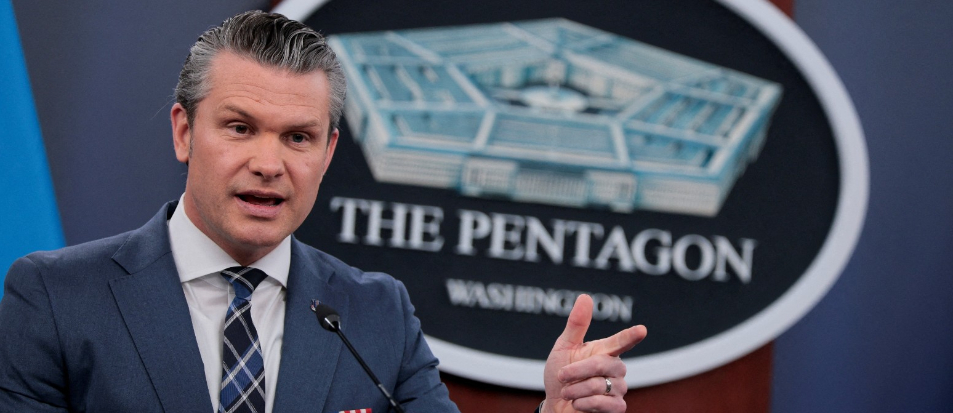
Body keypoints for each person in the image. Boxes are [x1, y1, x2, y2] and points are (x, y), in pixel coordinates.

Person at [0, 10, 646, 413]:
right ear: (184, 131)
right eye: (240, 128)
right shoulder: (56, 296)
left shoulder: (375, 311)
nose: (269, 163)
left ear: (328, 152)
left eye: (297, 137)